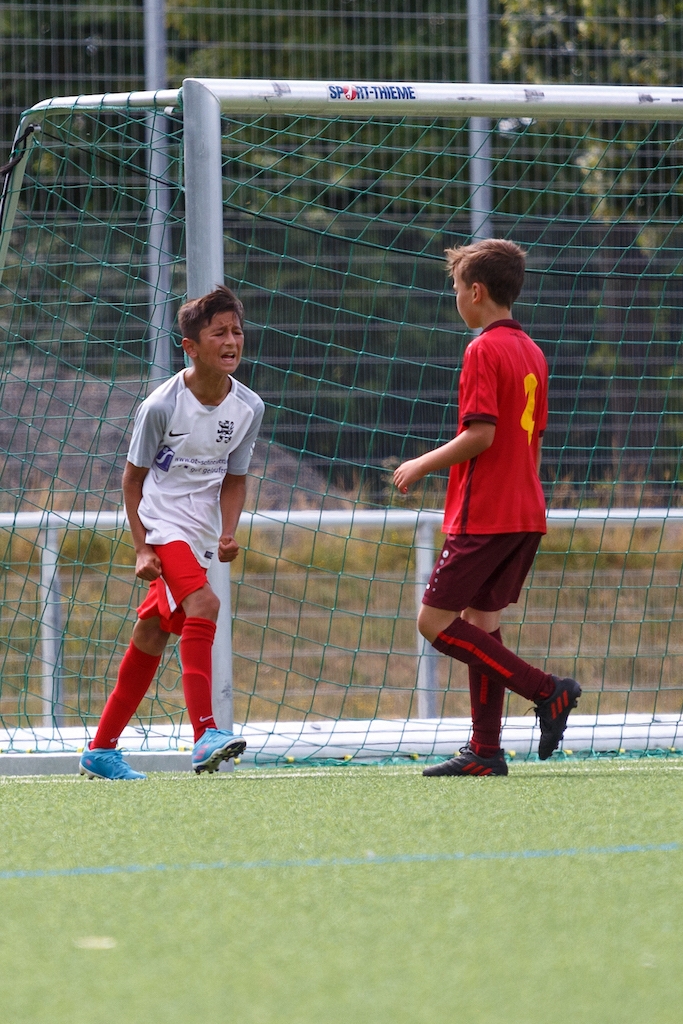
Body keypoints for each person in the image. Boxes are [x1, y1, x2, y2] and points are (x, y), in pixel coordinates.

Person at [394, 239, 580, 777]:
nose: (455, 297)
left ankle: (546, 690)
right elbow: (533, 442)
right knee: (482, 622)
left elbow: (481, 434)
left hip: (486, 514)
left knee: (434, 622)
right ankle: (485, 750)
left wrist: (420, 465)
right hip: (525, 510)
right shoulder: (532, 351)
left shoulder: (483, 349)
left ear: (475, 292)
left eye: (456, 288)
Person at [80, 285, 264, 780]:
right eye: (219, 333)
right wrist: (142, 547)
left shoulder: (249, 407)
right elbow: (132, 480)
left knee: (153, 633)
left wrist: (228, 532)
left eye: (237, 331)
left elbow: (235, 479)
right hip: (162, 522)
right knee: (204, 604)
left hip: (200, 533)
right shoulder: (161, 405)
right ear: (191, 346)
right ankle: (206, 734)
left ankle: (100, 749)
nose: (232, 341)